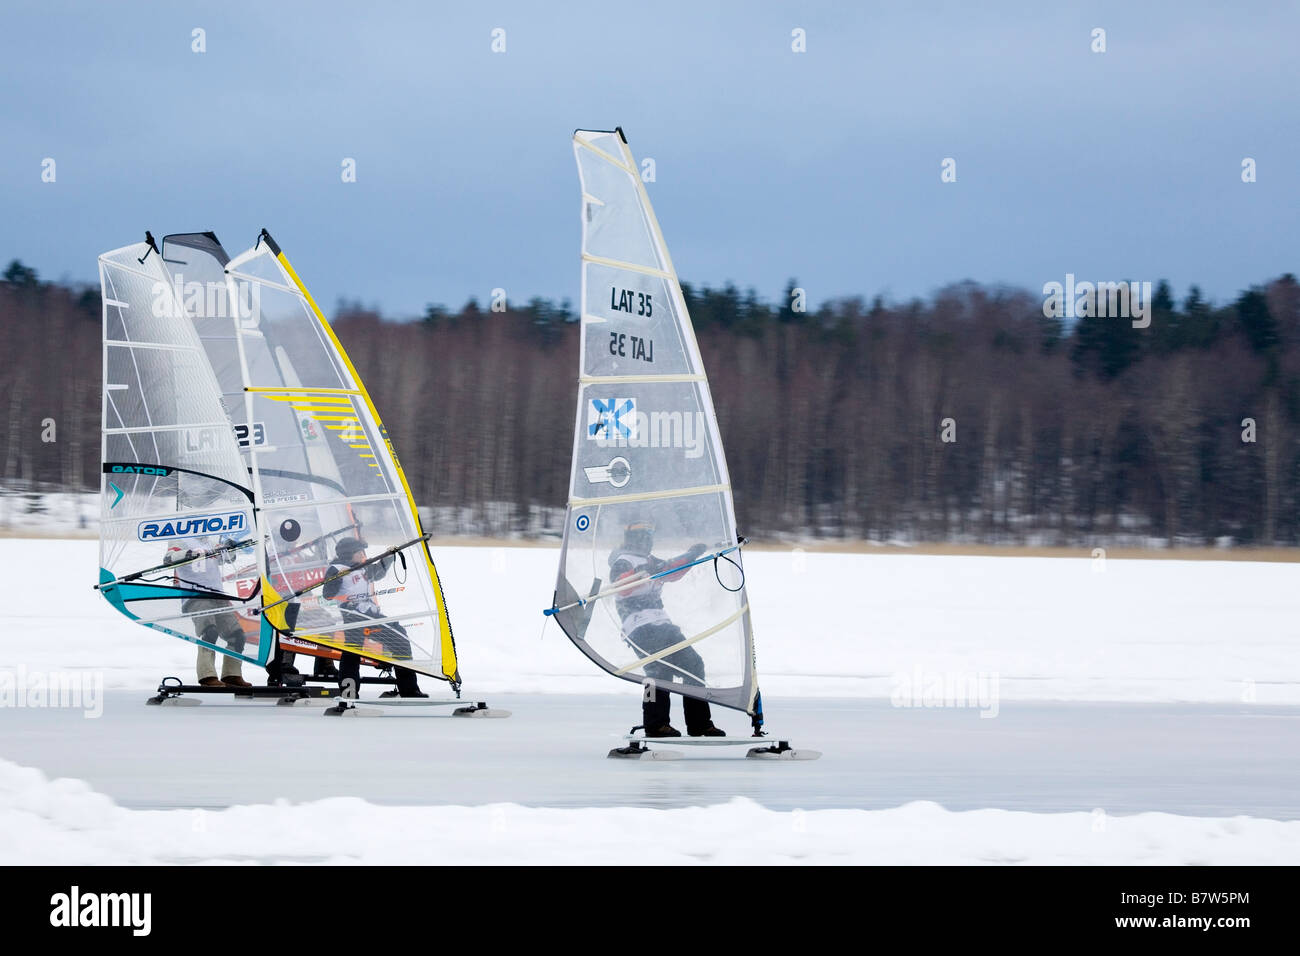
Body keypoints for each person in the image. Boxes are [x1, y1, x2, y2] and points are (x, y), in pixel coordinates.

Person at [609, 520, 724, 737]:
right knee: (657, 671)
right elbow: (621, 586)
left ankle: (699, 723)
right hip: (639, 628)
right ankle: (655, 724)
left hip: (663, 624)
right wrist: (643, 571)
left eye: (650, 535)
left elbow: (672, 571)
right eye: (644, 536)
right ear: (634, 538)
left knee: (693, 665)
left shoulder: (650, 560)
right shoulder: (622, 561)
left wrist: (692, 554)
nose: (648, 540)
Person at [321, 537, 425, 698]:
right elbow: (328, 595)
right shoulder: (336, 569)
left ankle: (409, 690)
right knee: (352, 651)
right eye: (359, 551)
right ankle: (349, 693)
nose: (363, 554)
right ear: (349, 554)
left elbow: (378, 572)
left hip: (370, 615)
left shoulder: (363, 567)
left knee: (400, 638)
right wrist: (336, 579)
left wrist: (389, 557)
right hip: (352, 616)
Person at [164, 536, 250, 688]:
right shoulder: (181, 539)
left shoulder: (209, 541)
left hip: (218, 595)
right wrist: (188, 554)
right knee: (209, 632)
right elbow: (169, 559)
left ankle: (231, 674)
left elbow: (228, 559)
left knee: (237, 635)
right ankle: (207, 676)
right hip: (195, 596)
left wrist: (230, 548)